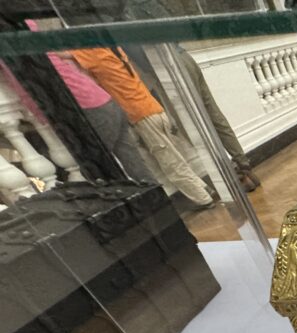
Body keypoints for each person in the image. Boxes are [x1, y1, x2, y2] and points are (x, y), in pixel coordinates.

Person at [70, 44, 214, 207]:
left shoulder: (95, 53)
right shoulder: (114, 50)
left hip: (142, 115)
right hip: (154, 108)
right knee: (175, 157)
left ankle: (203, 199)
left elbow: (65, 56)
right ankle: (204, 190)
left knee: (170, 163)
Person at [24, 19, 155, 184]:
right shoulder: (105, 49)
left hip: (91, 107)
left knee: (96, 168)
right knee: (132, 162)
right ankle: (152, 192)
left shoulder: (89, 53)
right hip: (106, 101)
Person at [174, 45, 261, 193]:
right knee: (214, 116)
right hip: (184, 56)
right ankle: (244, 167)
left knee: (195, 126)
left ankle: (237, 176)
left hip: (171, 66)